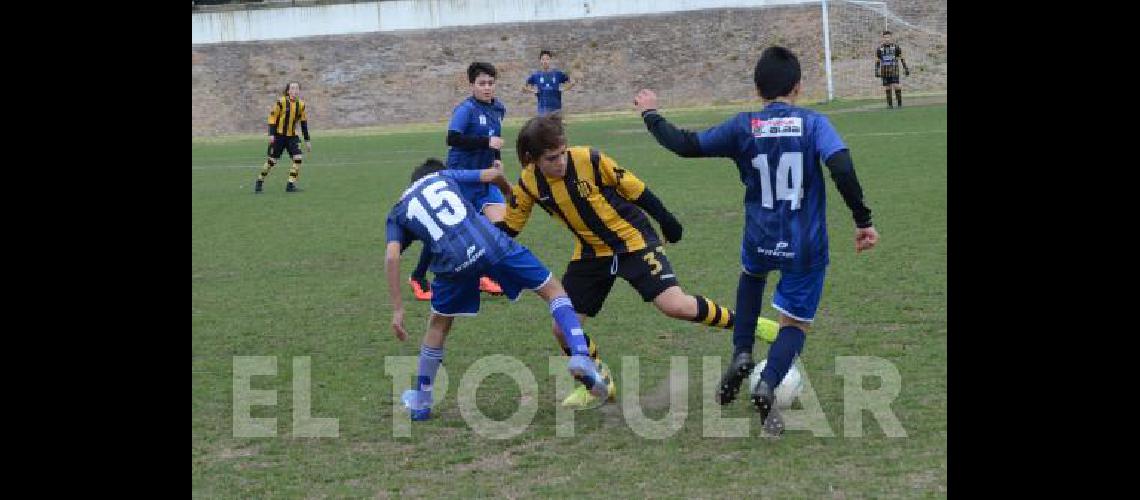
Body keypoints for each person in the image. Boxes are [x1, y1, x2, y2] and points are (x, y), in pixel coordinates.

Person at [633, 46, 879, 435]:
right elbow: (841, 167)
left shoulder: (742, 126)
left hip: (760, 234)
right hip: (806, 243)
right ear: (797, 87)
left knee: (751, 276)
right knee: (795, 323)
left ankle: (743, 351)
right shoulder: (814, 123)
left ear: (757, 88)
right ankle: (767, 384)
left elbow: (686, 144)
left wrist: (650, 113)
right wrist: (863, 220)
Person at [497, 112, 778, 409]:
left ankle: (751, 325)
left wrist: (666, 220)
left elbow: (634, 188)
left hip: (632, 241)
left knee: (675, 306)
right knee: (561, 328)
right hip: (591, 253)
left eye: (562, 153)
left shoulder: (589, 159)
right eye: (552, 158)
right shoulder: (529, 184)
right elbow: (510, 228)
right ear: (532, 159)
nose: (561, 162)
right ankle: (598, 381)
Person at [386, 158, 607, 421]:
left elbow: (392, 256)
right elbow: (491, 175)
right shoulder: (445, 176)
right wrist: (507, 190)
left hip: (451, 262)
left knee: (438, 326)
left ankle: (421, 402)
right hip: (491, 243)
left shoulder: (397, 211)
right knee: (553, 290)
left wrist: (398, 308)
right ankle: (580, 354)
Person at [408, 62, 507, 300]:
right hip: (461, 179)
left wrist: (496, 159)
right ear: (472, 84)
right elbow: (452, 138)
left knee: (502, 224)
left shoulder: (499, 108)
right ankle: (418, 276)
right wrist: (486, 144)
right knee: (446, 233)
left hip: (485, 179)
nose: (487, 88)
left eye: (490, 83)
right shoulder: (465, 110)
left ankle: (484, 274)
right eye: (482, 83)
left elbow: (495, 138)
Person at [255, 81, 312, 193]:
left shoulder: (301, 105)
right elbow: (272, 118)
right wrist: (271, 134)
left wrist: (307, 140)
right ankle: (259, 181)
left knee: (298, 158)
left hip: (292, 137)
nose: (295, 90)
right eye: (293, 88)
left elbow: (304, 123)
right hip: (279, 136)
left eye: (297, 88)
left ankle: (290, 185)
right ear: (288, 91)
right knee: (272, 161)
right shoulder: (281, 102)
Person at [523, 50, 574, 115]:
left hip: (556, 108)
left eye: (547, 59)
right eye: (543, 59)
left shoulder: (557, 74)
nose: (545, 61)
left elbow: (571, 82)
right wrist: (533, 91)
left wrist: (563, 90)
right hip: (543, 109)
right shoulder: (536, 75)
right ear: (540, 61)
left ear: (550, 60)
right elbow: (524, 88)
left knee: (556, 125)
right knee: (543, 125)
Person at [875, 31, 910, 108]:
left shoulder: (896, 47)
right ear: (883, 38)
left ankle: (899, 104)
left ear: (891, 38)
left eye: (888, 37)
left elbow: (902, 58)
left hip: (894, 68)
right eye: (885, 37)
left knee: (896, 85)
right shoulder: (879, 49)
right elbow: (877, 60)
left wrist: (905, 68)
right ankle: (890, 105)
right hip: (884, 70)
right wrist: (876, 70)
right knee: (887, 86)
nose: (887, 39)